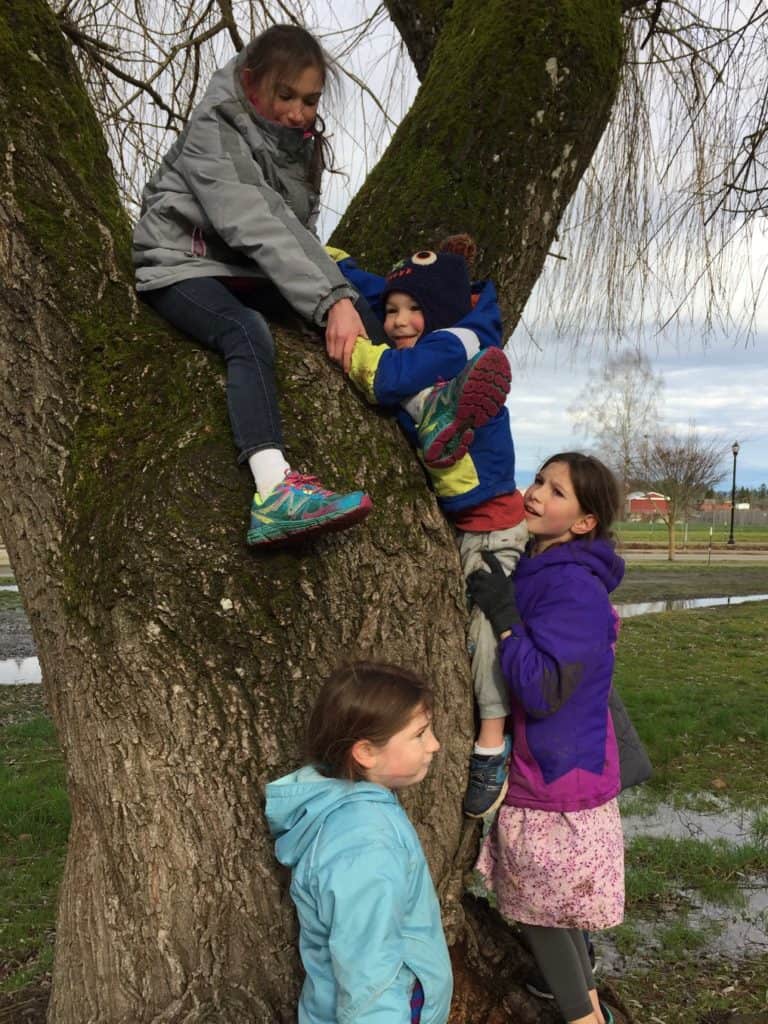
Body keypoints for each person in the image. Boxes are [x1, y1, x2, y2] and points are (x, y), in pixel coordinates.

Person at [132, 25, 385, 547]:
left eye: (311, 100)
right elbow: (257, 220)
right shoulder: (214, 129)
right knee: (246, 333)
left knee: (360, 305)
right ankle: (273, 493)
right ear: (251, 84)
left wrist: (341, 297)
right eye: (285, 96)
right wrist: (329, 299)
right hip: (180, 261)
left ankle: (419, 400)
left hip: (242, 267)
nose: (299, 112)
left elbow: (293, 229)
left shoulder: (293, 141)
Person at [331, 240, 529, 817]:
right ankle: (441, 418)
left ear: (438, 310)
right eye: (390, 313)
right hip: (465, 517)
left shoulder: (458, 340)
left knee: (487, 629)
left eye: (410, 312)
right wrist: (336, 264)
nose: (396, 323)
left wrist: (355, 351)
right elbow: (383, 289)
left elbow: (390, 377)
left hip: (492, 523)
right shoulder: (436, 320)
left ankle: (492, 744)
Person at [466, 452, 625, 1024]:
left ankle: (584, 1018)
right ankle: (584, 997)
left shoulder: (576, 588)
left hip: (559, 776)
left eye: (556, 492)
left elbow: (542, 688)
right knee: (559, 904)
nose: (536, 494)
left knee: (542, 910)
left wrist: (506, 619)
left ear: (584, 522)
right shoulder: (543, 565)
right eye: (538, 480)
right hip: (557, 764)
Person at [265, 662, 452, 1023]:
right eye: (420, 734)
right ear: (365, 752)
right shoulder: (365, 845)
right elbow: (370, 972)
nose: (435, 745)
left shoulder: (351, 810)